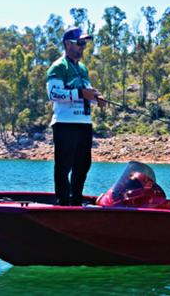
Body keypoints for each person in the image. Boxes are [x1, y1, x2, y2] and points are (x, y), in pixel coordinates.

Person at [46, 27, 104, 206]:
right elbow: (54, 93)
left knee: (83, 164)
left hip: (84, 123)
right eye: (79, 43)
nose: (83, 47)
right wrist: (81, 94)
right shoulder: (58, 67)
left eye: (84, 44)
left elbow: (86, 92)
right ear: (67, 44)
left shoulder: (83, 69)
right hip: (65, 124)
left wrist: (96, 99)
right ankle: (63, 201)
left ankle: (76, 200)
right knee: (64, 165)